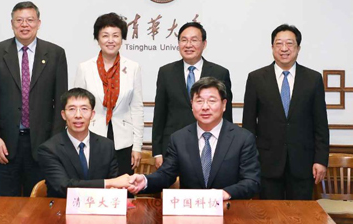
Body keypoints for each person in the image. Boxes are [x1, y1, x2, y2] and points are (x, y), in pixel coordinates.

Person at [0, 1, 68, 197]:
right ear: (12, 24)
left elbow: (60, 103)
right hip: (5, 144)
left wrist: (54, 144)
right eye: (19, 20)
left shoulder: (55, 54)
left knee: (39, 203)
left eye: (30, 20)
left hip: (42, 144)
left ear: (38, 23)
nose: (24, 25)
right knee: (5, 205)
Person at [129, 77, 260, 200]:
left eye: (212, 101)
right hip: (191, 209)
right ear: (192, 105)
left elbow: (251, 181)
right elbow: (166, 175)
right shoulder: (179, 138)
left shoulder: (242, 138)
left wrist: (226, 193)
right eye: (199, 101)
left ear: (224, 104)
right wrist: (145, 181)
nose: (205, 107)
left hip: (229, 210)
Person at [242, 24, 329, 200]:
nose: (284, 48)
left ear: (298, 48)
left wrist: (320, 160)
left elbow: (321, 124)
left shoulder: (313, 79)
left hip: (303, 164)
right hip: (266, 163)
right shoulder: (256, 78)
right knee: (269, 214)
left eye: (289, 43)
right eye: (279, 43)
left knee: (300, 214)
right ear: (272, 47)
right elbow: (249, 125)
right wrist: (250, 161)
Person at [151, 22, 233, 169]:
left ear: (204, 44)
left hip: (209, 144)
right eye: (184, 40)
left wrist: (227, 147)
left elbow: (226, 115)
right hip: (173, 146)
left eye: (194, 40)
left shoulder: (220, 73)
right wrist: (157, 152)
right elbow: (159, 114)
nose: (188, 45)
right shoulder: (166, 72)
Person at [74, 13, 144, 177]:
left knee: (124, 185)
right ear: (97, 39)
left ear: (122, 38)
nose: (110, 40)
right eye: (105, 35)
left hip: (124, 141)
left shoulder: (133, 68)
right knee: (94, 186)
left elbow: (137, 108)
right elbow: (77, 107)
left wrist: (137, 146)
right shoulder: (85, 68)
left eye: (115, 35)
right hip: (91, 136)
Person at [37, 88, 131, 197]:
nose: (78, 115)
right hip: (62, 205)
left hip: (99, 204)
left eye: (84, 109)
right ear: (63, 114)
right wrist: (108, 183)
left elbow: (115, 186)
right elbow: (64, 186)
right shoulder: (49, 149)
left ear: (92, 114)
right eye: (72, 109)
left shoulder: (107, 146)